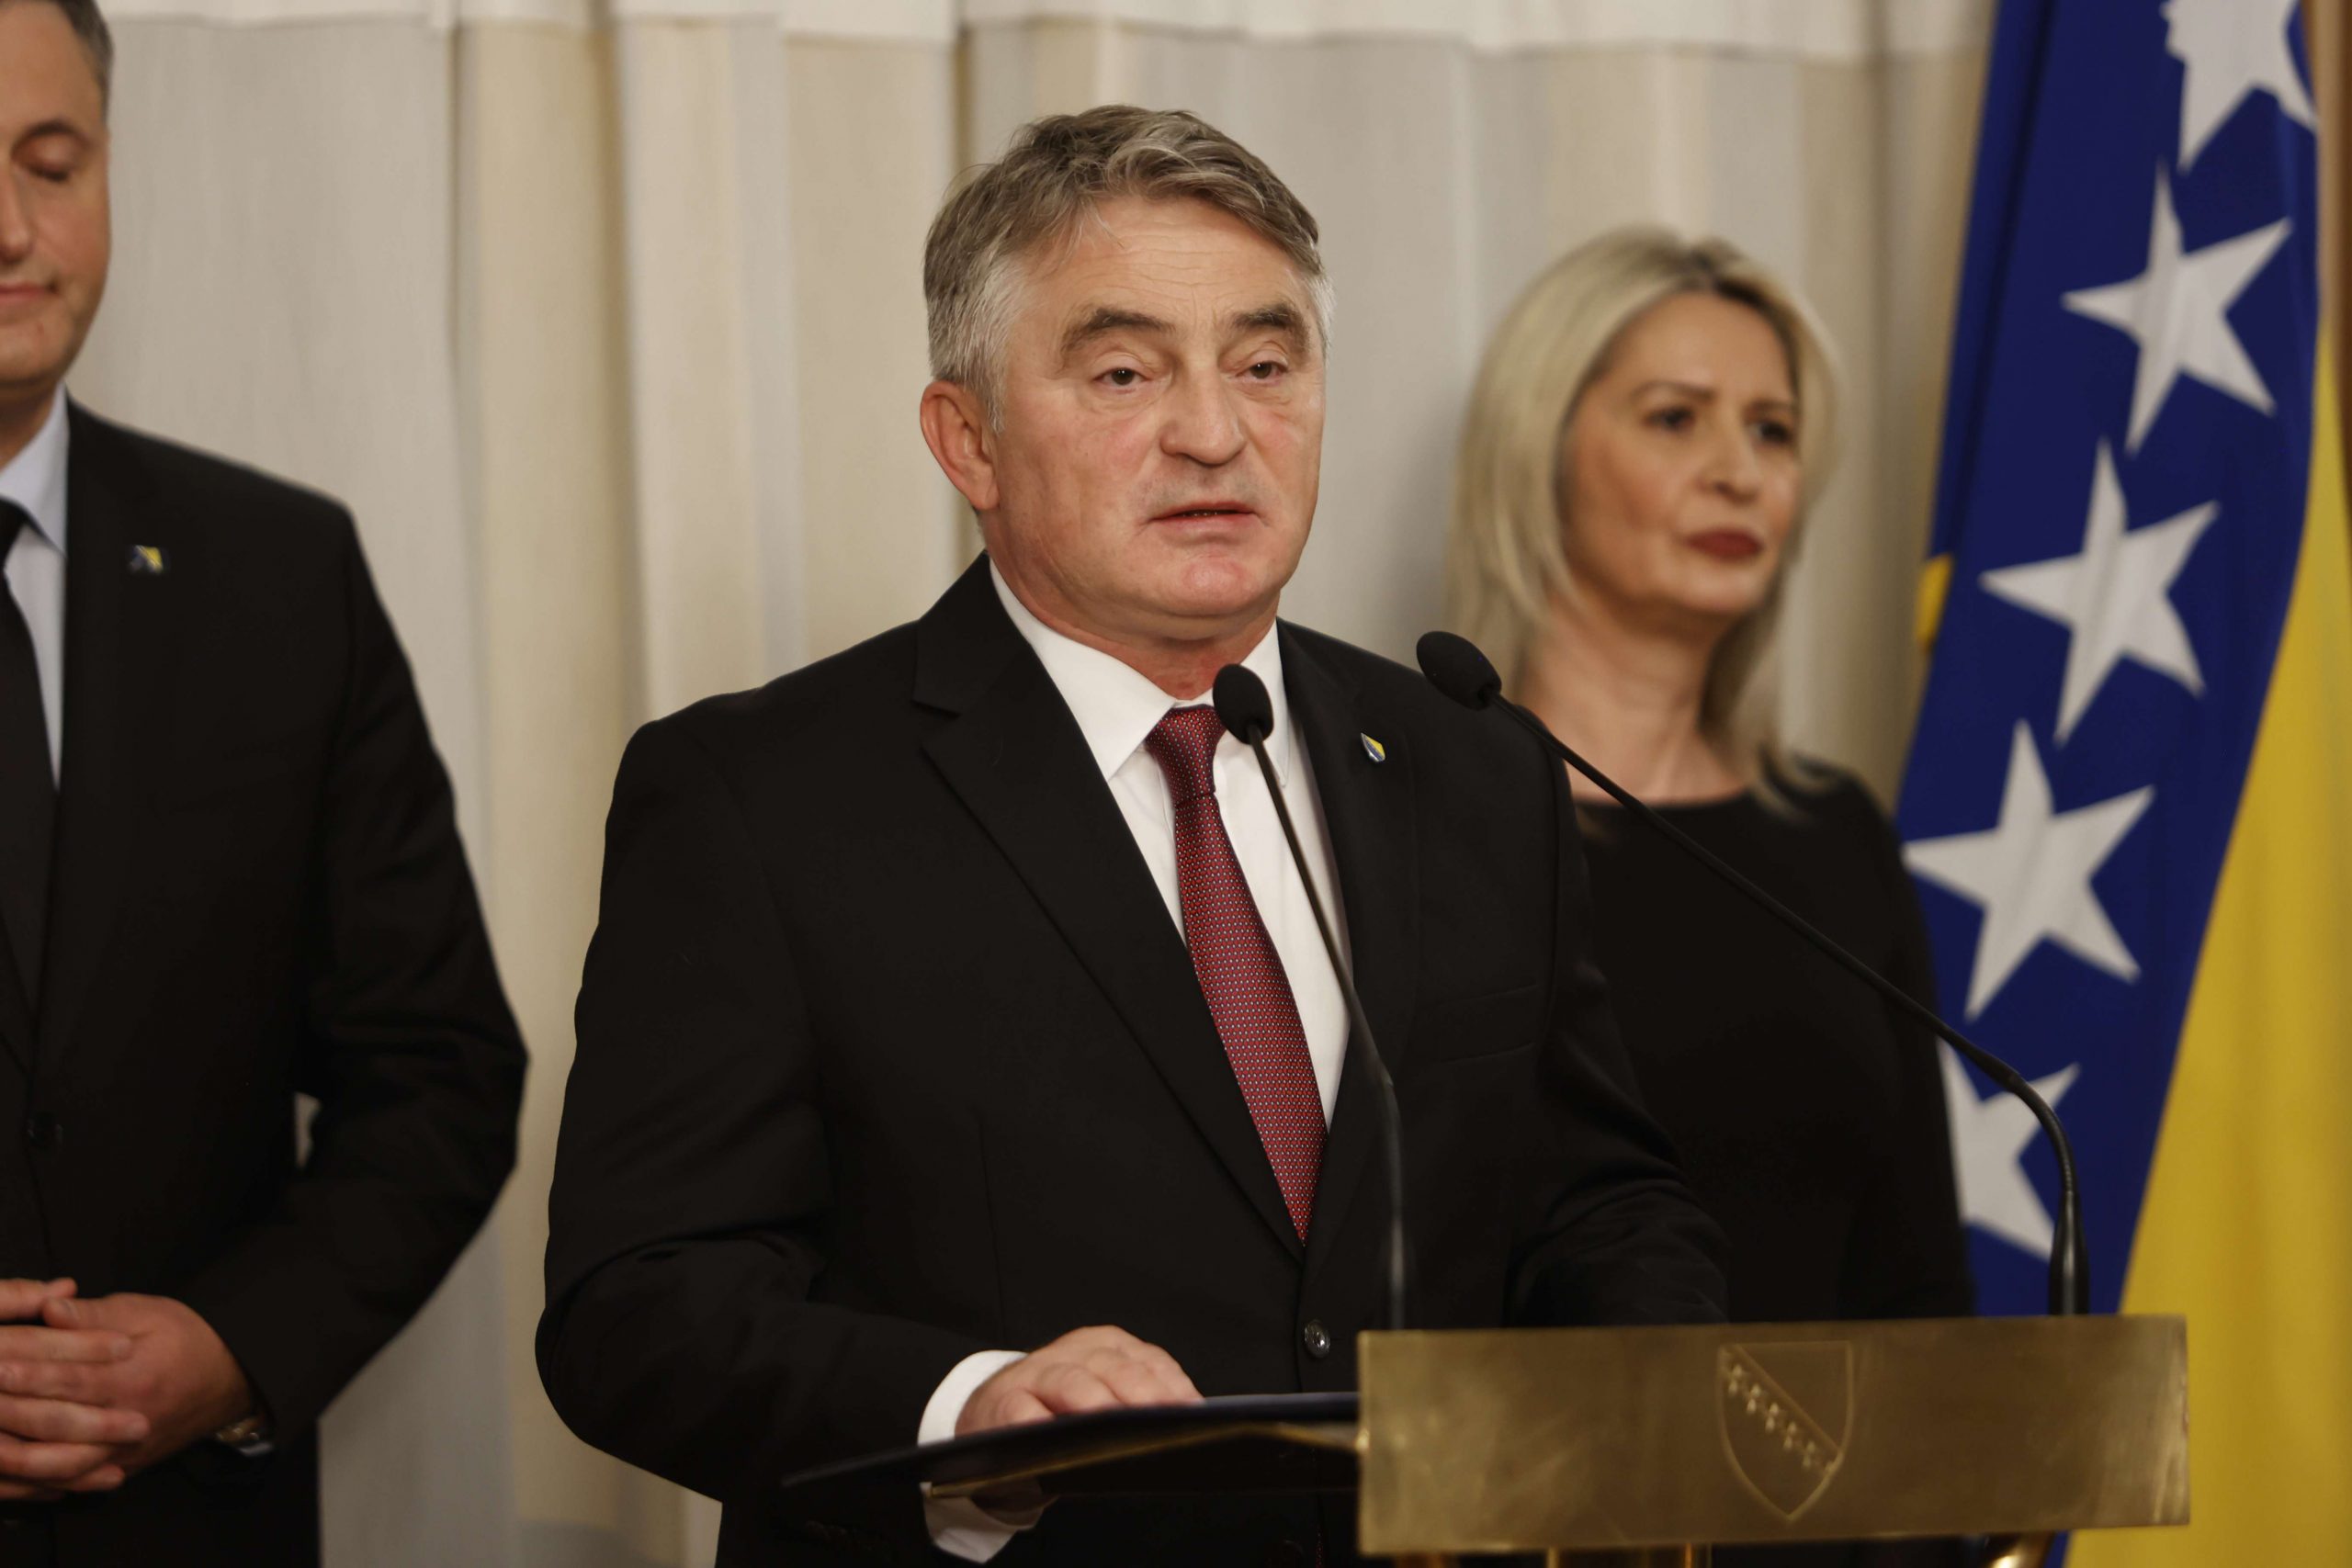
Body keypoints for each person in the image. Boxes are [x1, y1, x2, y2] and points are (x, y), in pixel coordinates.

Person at [541, 107, 1726, 1565]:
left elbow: (1597, 1202)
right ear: (968, 439)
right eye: (1124, 372)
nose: (1215, 433)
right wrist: (968, 1410)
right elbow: (636, 1307)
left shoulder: (1468, 761)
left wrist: (1654, 1402)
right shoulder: (763, 796)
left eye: (1265, 365)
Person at [0, 2, 526, 1562]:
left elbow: (439, 1072)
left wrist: (236, 1347)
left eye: (51, 163)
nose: (12, 229)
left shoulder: (280, 576)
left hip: (183, 1525)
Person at [1446, 229, 1973, 1565]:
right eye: (1676, 418)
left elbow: (1917, 1284)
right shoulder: (1423, 824)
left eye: (1773, 431)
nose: (1740, 469)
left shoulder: (1835, 836)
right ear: (1541, 454)